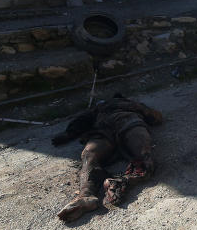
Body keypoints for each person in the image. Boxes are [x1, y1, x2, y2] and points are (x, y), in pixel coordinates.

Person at [52, 94, 163, 222]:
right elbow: (155, 117)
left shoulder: (103, 107)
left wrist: (67, 134)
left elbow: (80, 121)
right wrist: (68, 133)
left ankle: (95, 191)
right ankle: (95, 192)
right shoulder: (123, 104)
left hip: (113, 128)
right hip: (119, 126)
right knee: (142, 156)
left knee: (90, 156)